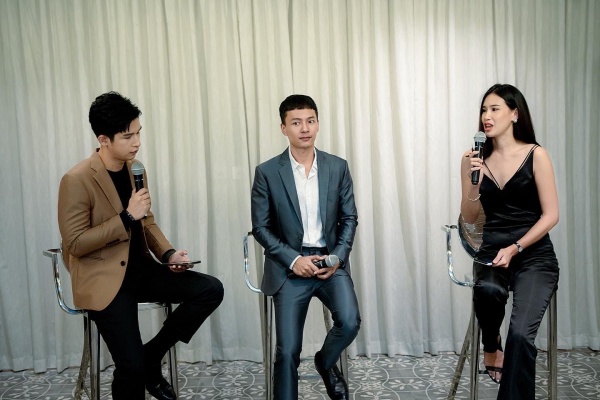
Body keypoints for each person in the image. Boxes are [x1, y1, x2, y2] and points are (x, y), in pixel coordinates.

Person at [58, 92, 224, 400]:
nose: (136, 142)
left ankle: (152, 355)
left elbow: (146, 222)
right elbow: (76, 243)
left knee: (210, 289)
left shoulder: (136, 169)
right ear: (103, 139)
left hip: (142, 271)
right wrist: (125, 217)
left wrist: (169, 254)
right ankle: (141, 363)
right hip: (104, 280)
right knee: (130, 367)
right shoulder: (77, 179)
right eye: (127, 136)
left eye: (138, 133)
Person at [251, 94, 361, 399]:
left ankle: (325, 363)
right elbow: (261, 228)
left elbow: (349, 218)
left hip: (329, 262)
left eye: (310, 121)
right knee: (287, 351)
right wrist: (293, 259)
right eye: (296, 122)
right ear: (283, 128)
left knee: (350, 322)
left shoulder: (337, 167)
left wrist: (337, 258)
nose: (304, 128)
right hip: (289, 268)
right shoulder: (267, 172)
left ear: (318, 124)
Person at [460, 84, 560, 399]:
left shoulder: (536, 154)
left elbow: (551, 215)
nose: (486, 117)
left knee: (520, 335)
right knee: (488, 290)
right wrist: (473, 184)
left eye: (495, 109)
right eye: (484, 110)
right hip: (492, 252)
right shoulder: (472, 158)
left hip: (534, 255)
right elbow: (470, 216)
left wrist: (517, 247)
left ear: (515, 114)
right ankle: (491, 345)